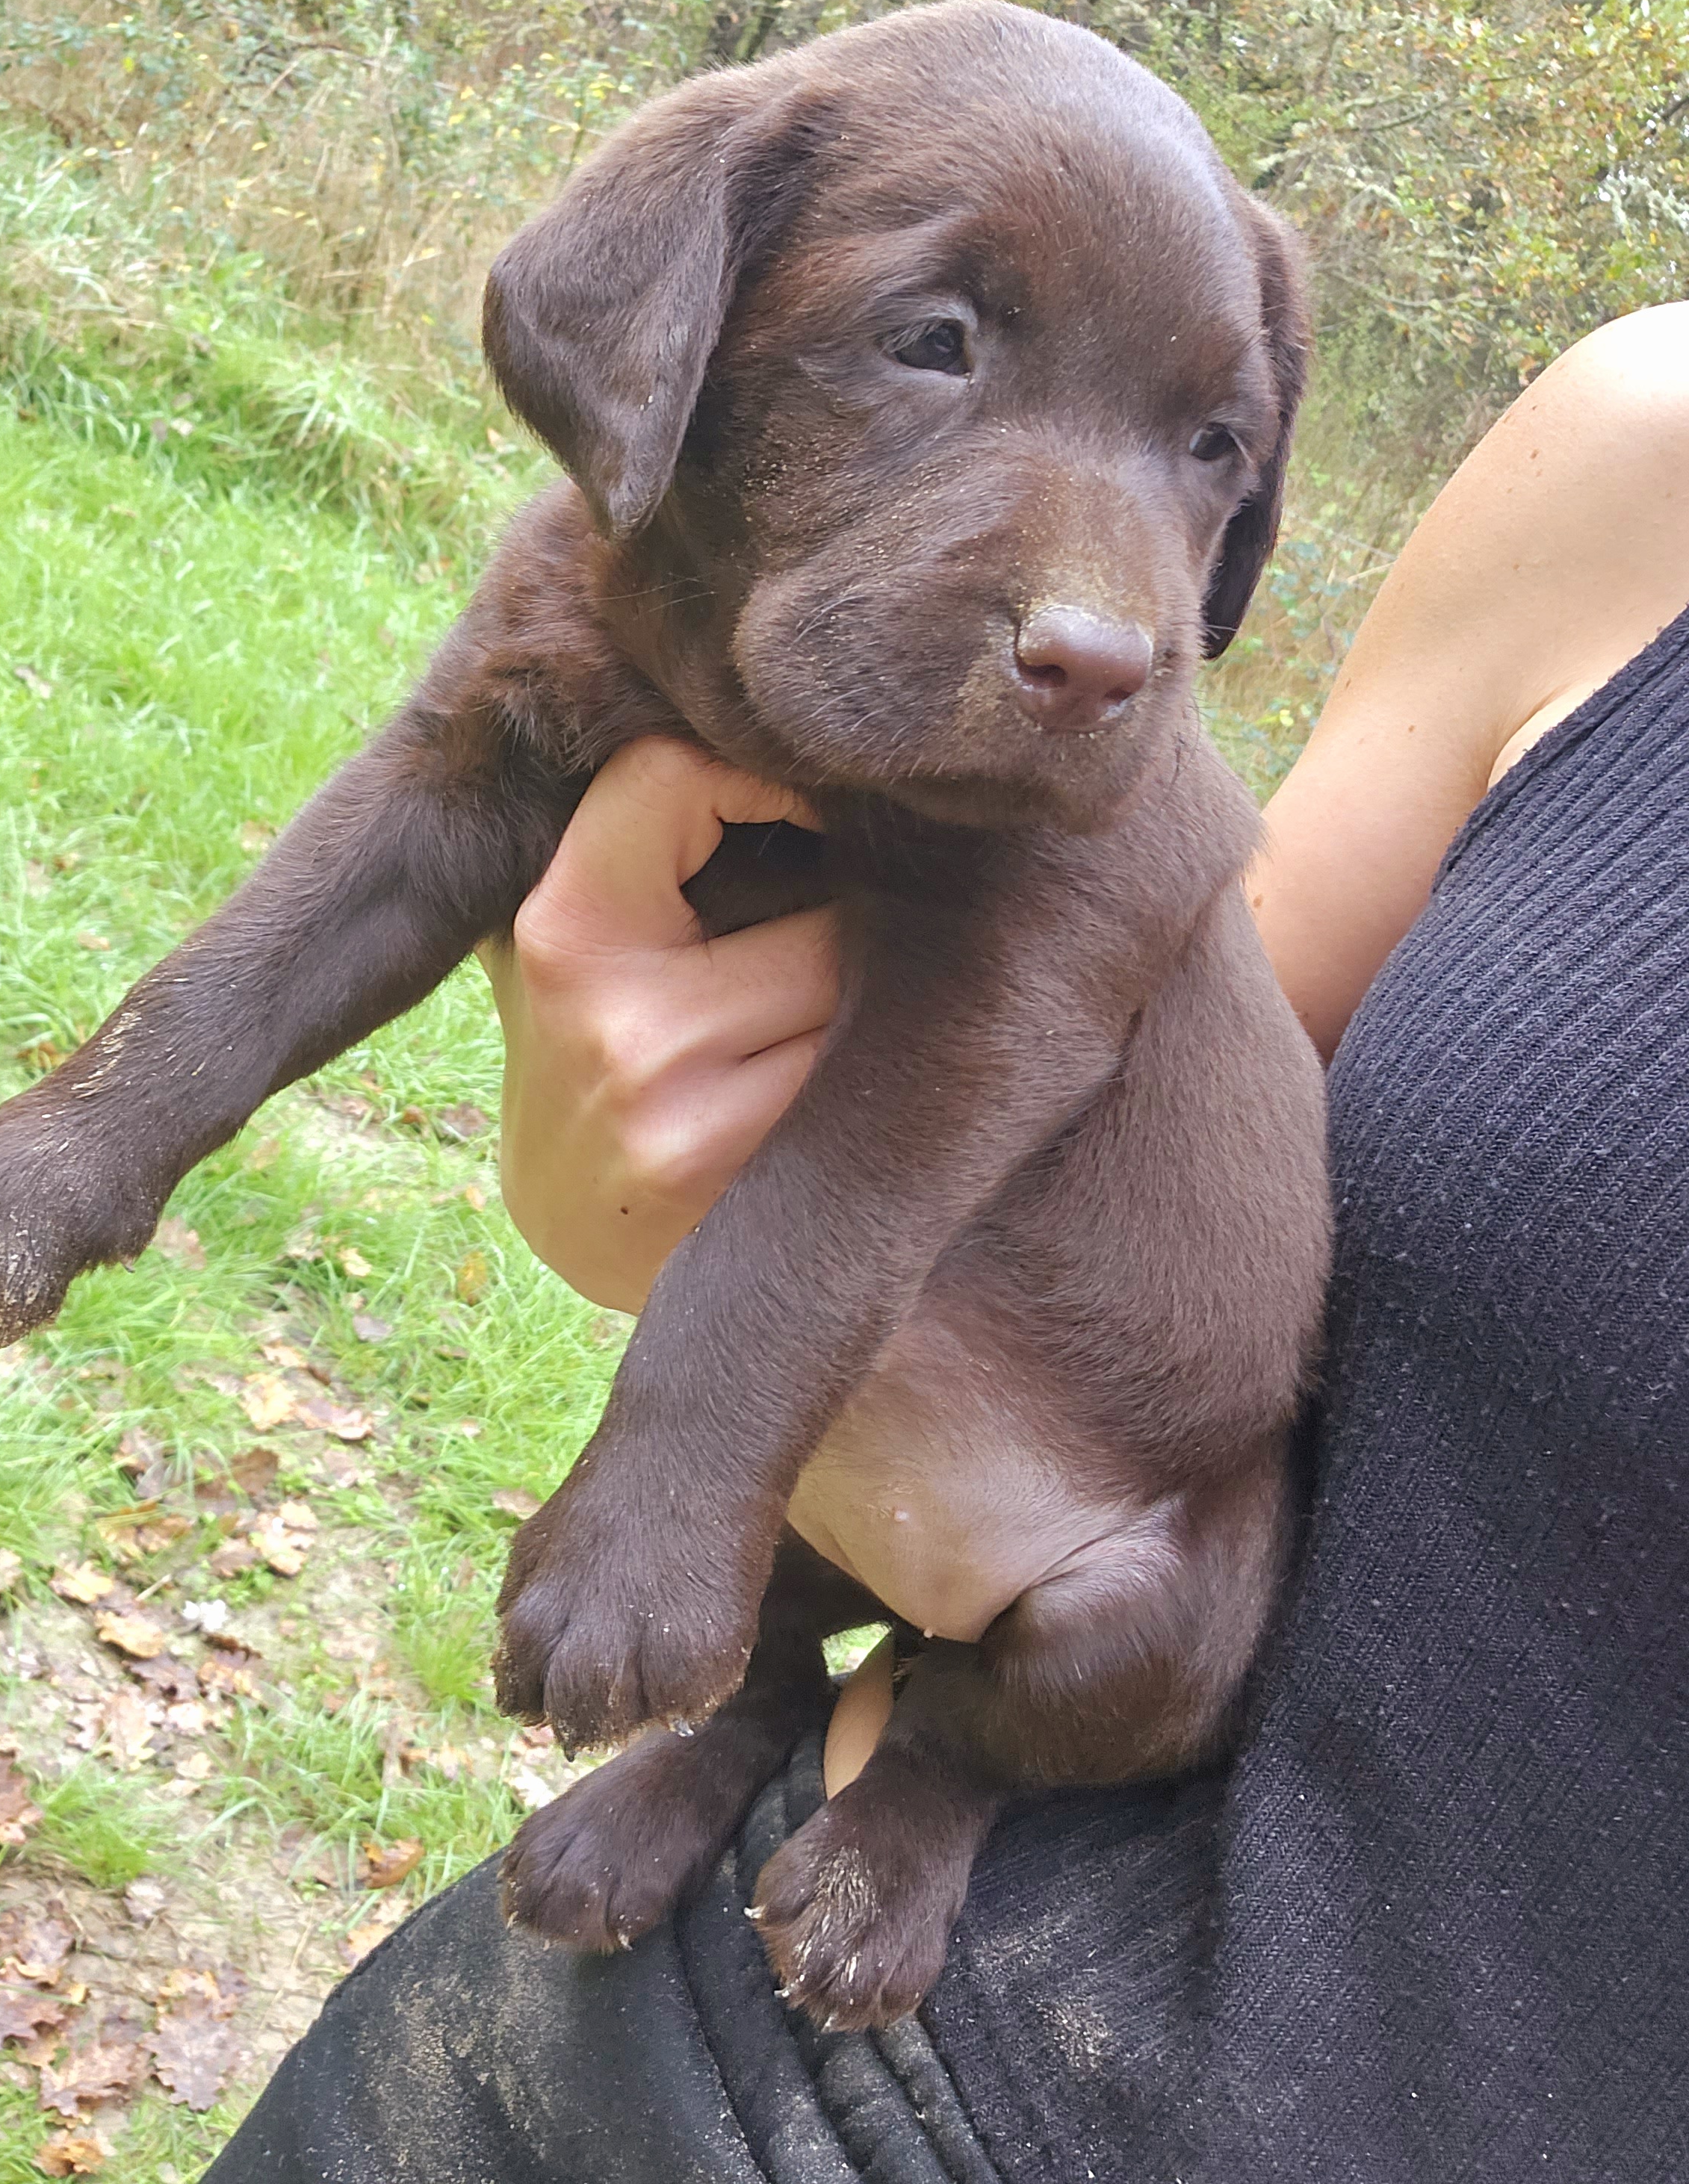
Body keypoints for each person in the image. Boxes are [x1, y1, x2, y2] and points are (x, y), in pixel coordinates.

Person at [205, 303, 1689, 2183]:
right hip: (706, 2072)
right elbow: (1162, 1030)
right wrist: (663, 1202)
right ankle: (750, 1721)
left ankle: (939, 1774)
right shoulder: (1650, 458)